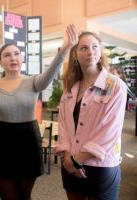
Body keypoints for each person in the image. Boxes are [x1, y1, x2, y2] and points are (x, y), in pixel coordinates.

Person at [0, 24, 79, 200]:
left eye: (17, 53)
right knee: (8, 196)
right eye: (7, 55)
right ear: (0, 62)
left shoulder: (33, 82)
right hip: (1, 143)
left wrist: (63, 50)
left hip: (28, 142)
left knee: (25, 195)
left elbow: (49, 75)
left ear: (22, 58)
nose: (13, 58)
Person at [56, 31, 127, 200]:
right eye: (84, 48)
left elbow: (110, 129)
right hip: (70, 161)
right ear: (75, 55)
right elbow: (63, 123)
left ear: (100, 51)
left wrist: (76, 160)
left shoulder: (113, 85)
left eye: (95, 47)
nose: (90, 52)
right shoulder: (70, 88)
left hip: (100, 165)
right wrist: (68, 156)